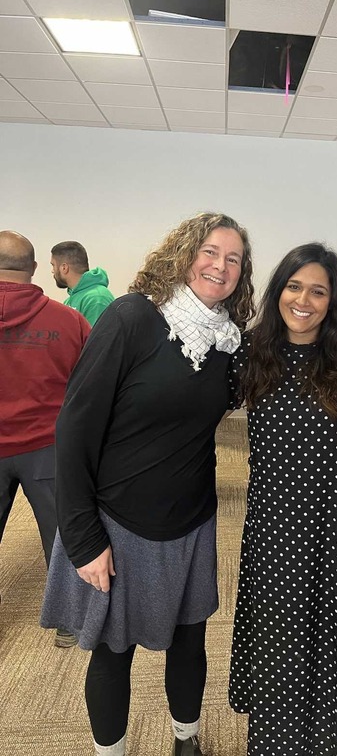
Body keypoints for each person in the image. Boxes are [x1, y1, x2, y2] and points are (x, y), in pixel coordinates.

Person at [41, 213, 255, 756]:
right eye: (210, 252)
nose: (220, 266)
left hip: (192, 519)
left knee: (191, 642)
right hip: (117, 520)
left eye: (233, 259)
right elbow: (74, 427)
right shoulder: (133, 317)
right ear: (184, 255)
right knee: (113, 652)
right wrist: (84, 537)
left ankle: (187, 741)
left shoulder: (226, 341)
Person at [228, 243, 337, 755]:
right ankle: (276, 741)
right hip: (275, 525)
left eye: (318, 290)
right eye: (294, 287)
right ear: (278, 292)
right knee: (280, 637)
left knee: (336, 632)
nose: (304, 300)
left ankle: (333, 739)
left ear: (333, 299)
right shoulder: (250, 351)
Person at [0, 230, 90, 647]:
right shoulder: (68, 321)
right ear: (35, 269)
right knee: (62, 537)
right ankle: (70, 624)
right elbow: (92, 385)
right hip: (48, 447)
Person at [50, 240, 114, 325]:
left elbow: (97, 338)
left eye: (53, 265)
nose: (52, 271)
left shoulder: (97, 298)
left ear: (64, 268)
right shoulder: (69, 300)